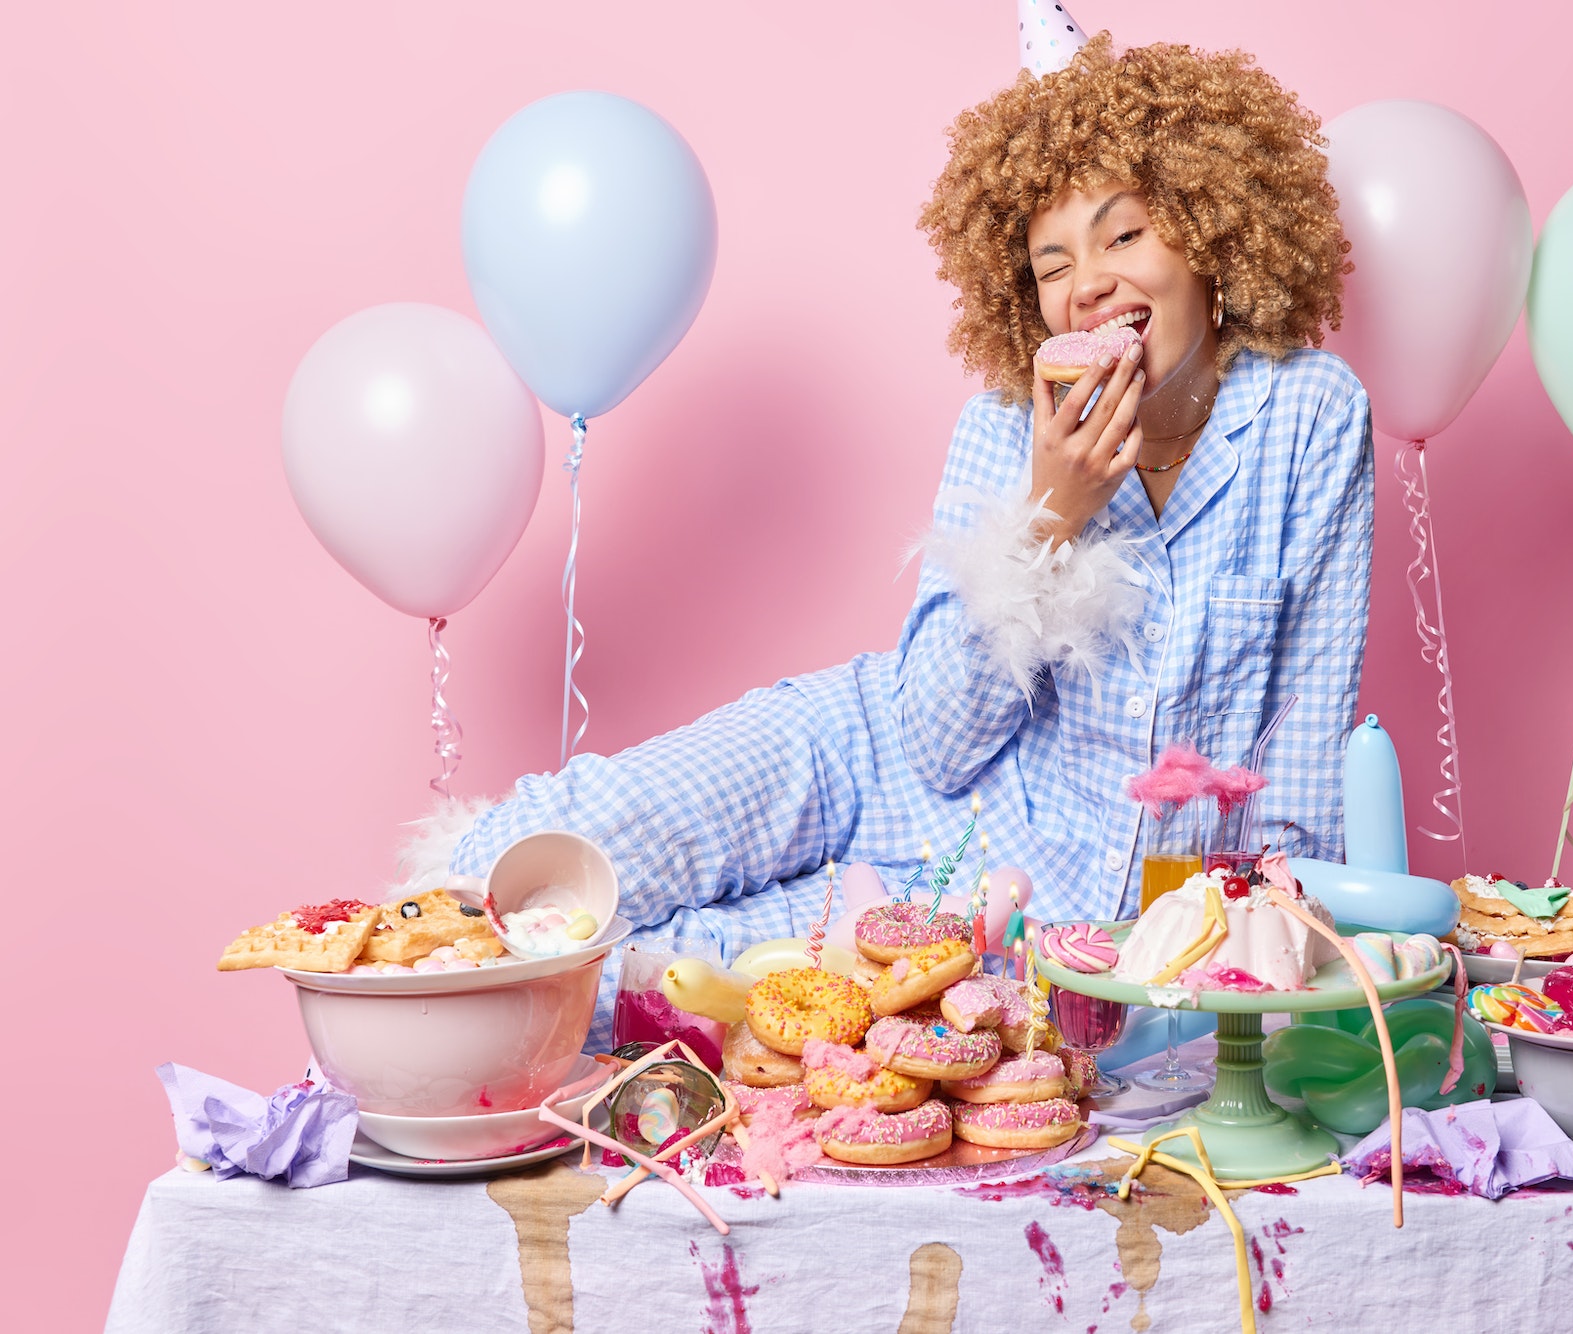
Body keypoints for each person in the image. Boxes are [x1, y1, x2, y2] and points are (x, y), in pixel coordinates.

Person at [443, 35, 1373, 1043]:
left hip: (1000, 898)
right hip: (865, 745)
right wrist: (1049, 514)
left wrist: (1253, 963)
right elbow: (934, 738)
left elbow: (1302, 781)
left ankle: (476, 1025)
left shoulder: (1311, 418)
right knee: (572, 842)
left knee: (652, 993)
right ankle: (414, 956)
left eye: (1123, 237)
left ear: (1209, 235)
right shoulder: (1004, 426)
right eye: (1051, 263)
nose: (1088, 284)